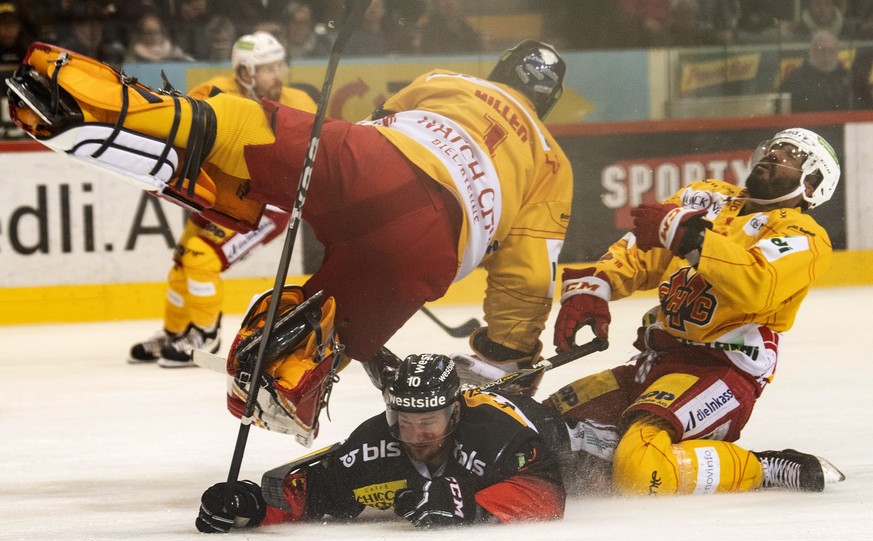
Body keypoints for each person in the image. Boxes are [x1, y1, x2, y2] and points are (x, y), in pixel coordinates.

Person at [8, 39, 572, 441]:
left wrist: (339, 188)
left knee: (238, 128)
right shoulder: (551, 159)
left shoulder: (451, 82)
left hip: (372, 164)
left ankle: (134, 113)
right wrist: (507, 357)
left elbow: (380, 122)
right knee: (306, 347)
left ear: (498, 69)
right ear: (549, 102)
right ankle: (279, 376)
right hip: (430, 248)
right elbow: (527, 277)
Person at [545, 128, 845, 496]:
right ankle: (616, 447)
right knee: (543, 428)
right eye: (775, 147)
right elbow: (641, 252)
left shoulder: (805, 235)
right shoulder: (706, 197)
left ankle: (757, 467)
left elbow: (757, 285)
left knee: (642, 472)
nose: (776, 154)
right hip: (655, 362)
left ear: (812, 185)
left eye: (794, 155)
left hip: (722, 371)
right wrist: (596, 286)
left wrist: (696, 240)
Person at [194, 353, 568, 532]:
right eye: (404, 422)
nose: (415, 435)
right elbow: (317, 487)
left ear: (455, 415)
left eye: (427, 422)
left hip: (562, 433)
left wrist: (471, 505)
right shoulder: (374, 443)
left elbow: (548, 489)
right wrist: (252, 504)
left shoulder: (496, 436)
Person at [128, 31, 317, 367]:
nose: (278, 75)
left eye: (278, 66)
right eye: (268, 69)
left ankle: (205, 334)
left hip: (266, 204)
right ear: (246, 72)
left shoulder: (300, 103)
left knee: (202, 258)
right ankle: (175, 333)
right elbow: (182, 129)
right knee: (183, 261)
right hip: (219, 194)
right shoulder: (213, 92)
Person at [779, 30, 851, 113]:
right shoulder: (795, 80)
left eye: (831, 51)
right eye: (822, 50)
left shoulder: (848, 78)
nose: (827, 56)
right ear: (812, 51)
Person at [124, 11, 193, 63]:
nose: (154, 36)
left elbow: (191, 63)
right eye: (149, 33)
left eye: (157, 32)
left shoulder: (174, 52)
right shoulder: (133, 56)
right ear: (141, 35)